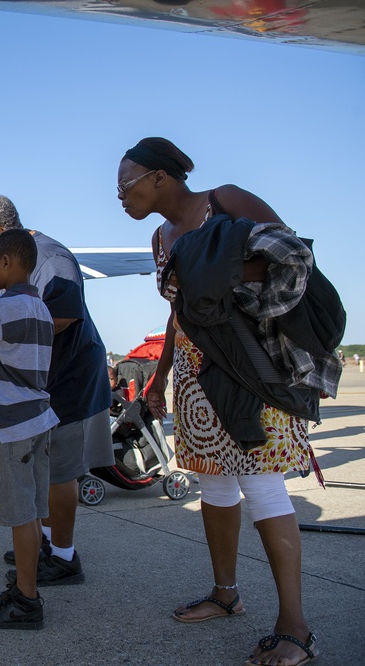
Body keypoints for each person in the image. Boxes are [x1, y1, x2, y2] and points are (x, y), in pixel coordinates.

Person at [117, 137, 334, 666]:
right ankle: (225, 593)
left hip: (247, 363)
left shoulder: (226, 200)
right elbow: (178, 311)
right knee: (213, 481)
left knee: (262, 485)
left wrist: (223, 274)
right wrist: (161, 374)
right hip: (194, 371)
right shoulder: (159, 238)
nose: (120, 196)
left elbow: (294, 259)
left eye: (127, 184)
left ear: (161, 178)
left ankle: (295, 628)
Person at [0, 193, 113, 586]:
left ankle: (63, 556)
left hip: (64, 382)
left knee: (59, 471)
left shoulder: (51, 259)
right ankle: (41, 544)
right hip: (37, 385)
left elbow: (60, 315)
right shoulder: (21, 269)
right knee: (39, 477)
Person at [0, 229, 59, 629]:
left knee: (20, 516)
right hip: (38, 418)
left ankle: (26, 601)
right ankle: (26, 582)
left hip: (7, 425)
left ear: (6, 263)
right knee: (34, 511)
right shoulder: (41, 309)